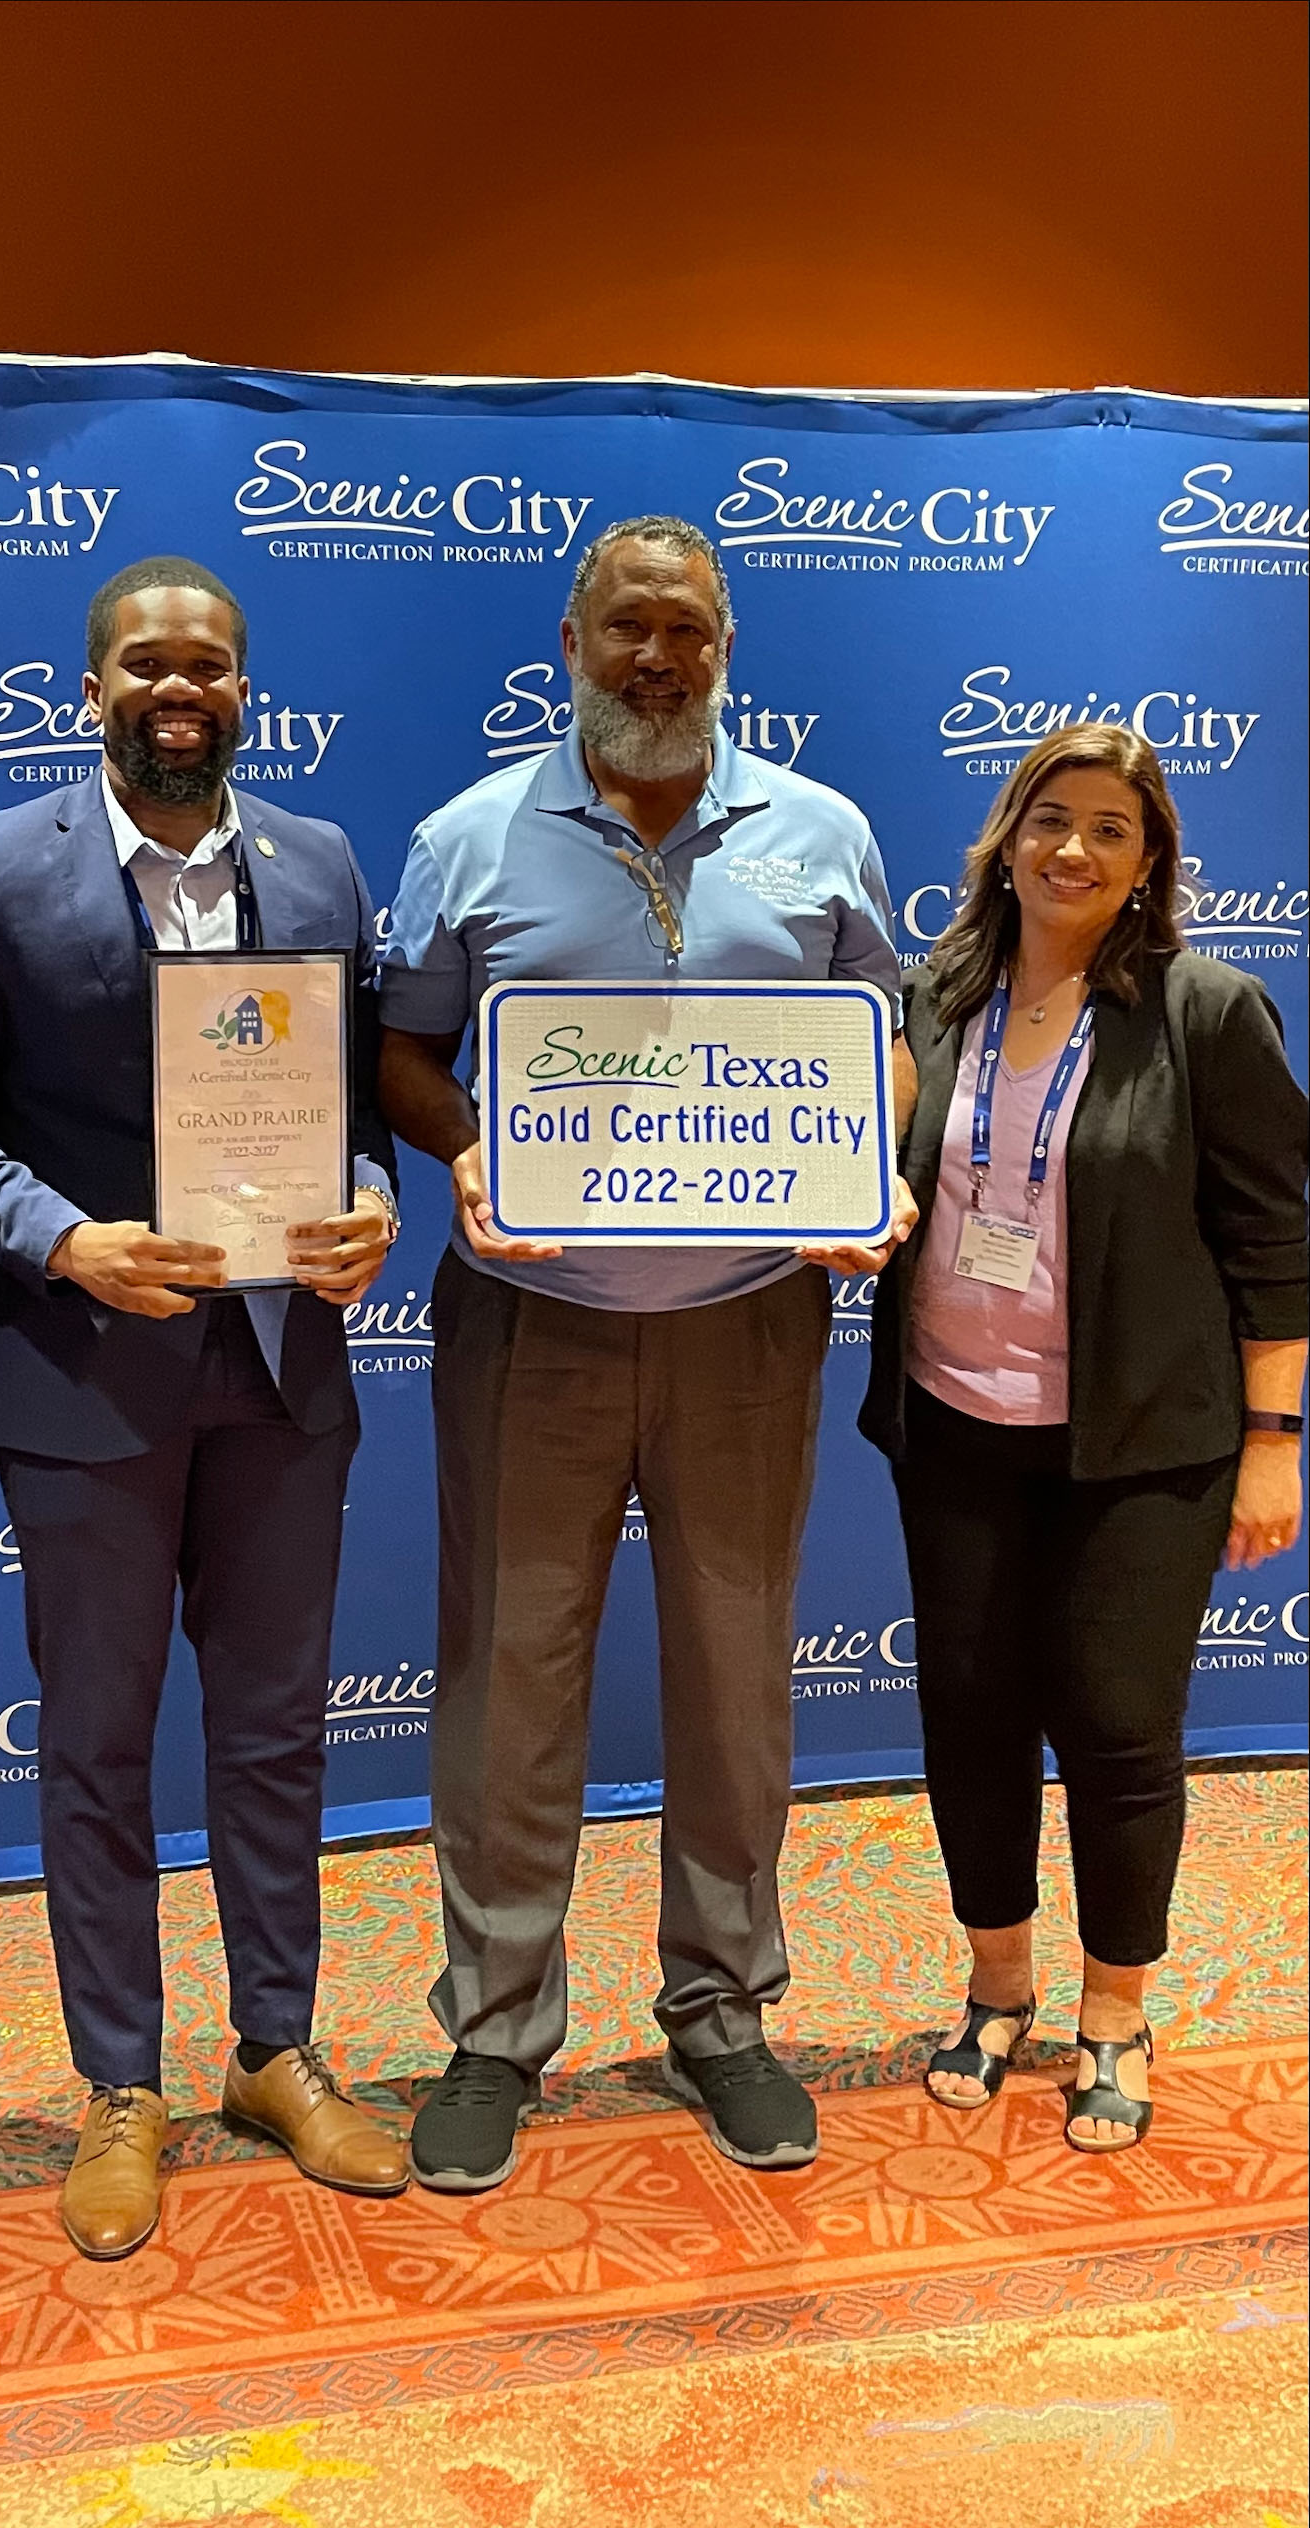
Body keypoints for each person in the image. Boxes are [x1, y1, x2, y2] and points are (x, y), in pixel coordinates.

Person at [378, 515, 916, 2193]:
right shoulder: (469, 836)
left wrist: (870, 1164)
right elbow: (401, 1052)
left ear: (727, 646)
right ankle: (494, 2026)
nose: (657, 658)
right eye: (627, 628)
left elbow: (880, 1045)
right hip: (532, 1321)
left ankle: (723, 2010)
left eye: (687, 630)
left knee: (739, 1669)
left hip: (751, 1318)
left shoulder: (818, 832)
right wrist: (465, 1145)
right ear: (572, 636)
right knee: (508, 1673)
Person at [0, 555, 407, 2260]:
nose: (180, 693)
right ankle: (123, 2083)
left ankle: (276, 2047)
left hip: (280, 1377)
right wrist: (62, 1236)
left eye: (211, 669)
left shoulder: (322, 859)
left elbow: (354, 1106)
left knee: (276, 1736)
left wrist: (365, 1198)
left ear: (246, 688)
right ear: (92, 686)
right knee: (100, 1746)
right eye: (146, 668)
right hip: (86, 1379)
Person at [859, 724, 1306, 2151]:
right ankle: (998, 1987)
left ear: (1150, 862)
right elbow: (878, 1162)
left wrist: (1276, 1437)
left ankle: (1115, 2005)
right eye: (1052, 818)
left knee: (1119, 1730)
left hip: (1147, 1444)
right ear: (1009, 833)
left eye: (1111, 829)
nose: (1073, 849)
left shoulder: (1205, 1009)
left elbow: (1275, 1238)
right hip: (957, 1419)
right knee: (970, 1716)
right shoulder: (936, 992)